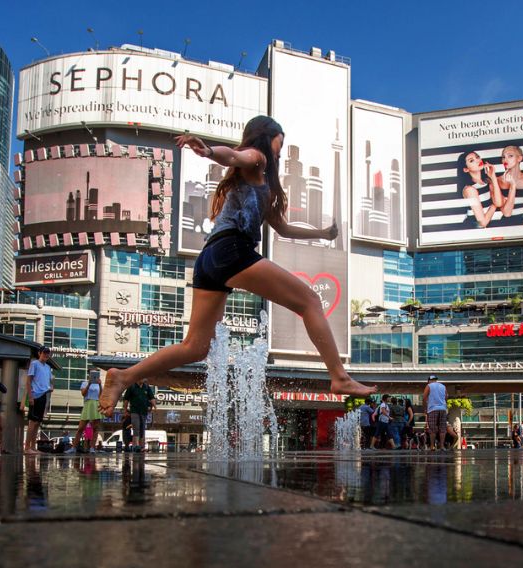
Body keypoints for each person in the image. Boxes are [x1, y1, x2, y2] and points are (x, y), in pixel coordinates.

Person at [99, 116, 376, 414]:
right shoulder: (255, 159)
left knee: (195, 347)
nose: (279, 154)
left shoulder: (263, 184)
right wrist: (206, 152)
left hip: (211, 259)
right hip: (232, 250)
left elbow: (282, 228)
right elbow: (233, 155)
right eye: (278, 145)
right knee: (309, 301)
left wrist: (321, 234)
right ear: (264, 139)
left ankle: (124, 376)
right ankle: (340, 376)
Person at [457, 151, 502, 228]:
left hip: (491, 227)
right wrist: (494, 204)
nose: (478, 160)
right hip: (473, 229)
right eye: (471, 160)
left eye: (477, 157)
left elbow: (499, 203)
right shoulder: (470, 189)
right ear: (466, 169)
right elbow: (482, 223)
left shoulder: (487, 181)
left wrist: (493, 177)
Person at [24, 347, 53, 455]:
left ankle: (32, 447)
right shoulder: (34, 364)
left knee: (38, 422)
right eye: (44, 353)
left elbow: (49, 381)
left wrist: (50, 387)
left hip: (44, 395)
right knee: (32, 421)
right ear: (39, 353)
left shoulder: (48, 367)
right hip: (35, 395)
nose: (46, 355)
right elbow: (28, 381)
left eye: (48, 353)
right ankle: (27, 447)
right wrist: (30, 397)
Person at [67, 370, 103, 454]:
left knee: (95, 428)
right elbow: (83, 394)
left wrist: (100, 385)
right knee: (81, 428)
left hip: (97, 404)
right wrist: (89, 384)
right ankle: (74, 448)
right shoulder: (85, 383)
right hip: (88, 404)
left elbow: (101, 395)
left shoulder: (99, 383)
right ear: (89, 375)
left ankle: (92, 448)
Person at [122, 380, 155, 452]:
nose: (144, 379)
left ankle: (141, 446)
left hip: (144, 411)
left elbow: (151, 397)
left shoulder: (147, 387)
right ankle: (135, 445)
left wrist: (153, 406)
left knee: (142, 429)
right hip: (134, 410)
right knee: (136, 427)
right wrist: (125, 410)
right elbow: (126, 399)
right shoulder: (132, 387)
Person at [423, 375, 448, 450]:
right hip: (443, 409)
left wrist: (425, 408)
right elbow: (446, 396)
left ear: (429, 380)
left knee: (432, 428)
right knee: (442, 428)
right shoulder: (443, 386)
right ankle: (442, 446)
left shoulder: (429, 386)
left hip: (432, 409)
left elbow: (424, 398)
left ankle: (432, 446)